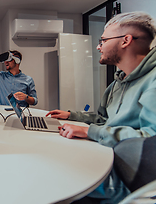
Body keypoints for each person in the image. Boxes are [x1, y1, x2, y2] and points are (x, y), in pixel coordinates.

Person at [46, 11, 156, 203]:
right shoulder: (116, 84)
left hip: (128, 177)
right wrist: (73, 115)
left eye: (103, 40)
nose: (98, 46)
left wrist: (92, 132)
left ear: (125, 40)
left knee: (55, 176)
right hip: (107, 155)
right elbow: (104, 120)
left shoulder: (153, 81)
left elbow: (151, 141)